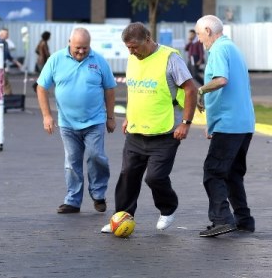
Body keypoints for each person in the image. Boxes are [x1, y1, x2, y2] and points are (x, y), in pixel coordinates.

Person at [103, 22, 197, 233]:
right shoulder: (133, 58)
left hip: (166, 131)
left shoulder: (170, 58)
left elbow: (191, 89)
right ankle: (121, 217)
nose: (131, 51)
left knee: (154, 177)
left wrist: (186, 123)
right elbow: (133, 89)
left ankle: (168, 208)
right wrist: (128, 116)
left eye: (134, 46)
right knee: (128, 175)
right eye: (128, 47)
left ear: (148, 39)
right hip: (136, 131)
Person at [36, 27, 117, 214]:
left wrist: (110, 117)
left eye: (85, 48)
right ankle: (73, 200)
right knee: (72, 161)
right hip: (67, 123)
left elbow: (110, 89)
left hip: (95, 121)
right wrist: (47, 116)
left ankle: (98, 194)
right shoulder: (56, 59)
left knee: (96, 156)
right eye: (78, 48)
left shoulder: (98, 61)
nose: (81, 51)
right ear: (69, 43)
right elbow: (41, 87)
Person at [195, 15, 255, 237]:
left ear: (209, 31)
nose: (200, 41)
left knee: (213, 172)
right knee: (232, 174)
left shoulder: (219, 49)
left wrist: (201, 90)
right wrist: (212, 123)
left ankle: (222, 219)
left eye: (200, 35)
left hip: (229, 125)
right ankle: (244, 220)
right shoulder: (233, 48)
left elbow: (221, 80)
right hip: (243, 123)